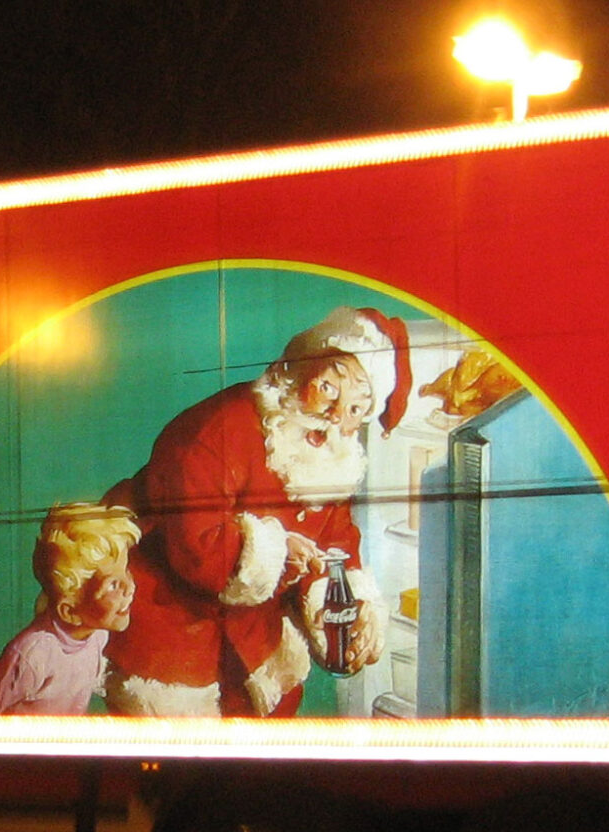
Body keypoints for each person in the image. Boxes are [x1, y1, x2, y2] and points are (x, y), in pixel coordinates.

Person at [105, 307, 404, 717]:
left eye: (356, 409)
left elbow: (336, 540)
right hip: (171, 637)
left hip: (256, 643)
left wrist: (350, 607)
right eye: (331, 387)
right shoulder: (214, 428)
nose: (336, 416)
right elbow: (195, 547)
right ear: (301, 364)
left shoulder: (331, 454)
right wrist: (278, 550)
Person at [0, 504, 140, 714]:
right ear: (69, 612)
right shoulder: (33, 654)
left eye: (125, 570)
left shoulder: (98, 636)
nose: (130, 587)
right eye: (113, 585)